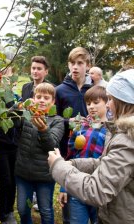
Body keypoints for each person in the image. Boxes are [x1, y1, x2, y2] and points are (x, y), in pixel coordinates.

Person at [48, 69, 134, 224]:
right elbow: (104, 163)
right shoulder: (120, 133)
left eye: (111, 100)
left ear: (123, 102)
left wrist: (58, 166)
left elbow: (97, 190)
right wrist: (72, 163)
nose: (108, 105)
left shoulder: (127, 141)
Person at [14, 82, 64, 224]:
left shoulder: (57, 121)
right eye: (39, 96)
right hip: (23, 172)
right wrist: (19, 106)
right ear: (33, 98)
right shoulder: (26, 116)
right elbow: (11, 119)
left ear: (53, 101)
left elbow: (52, 147)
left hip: (44, 175)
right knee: (23, 209)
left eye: (46, 97)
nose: (42, 100)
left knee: (45, 210)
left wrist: (43, 130)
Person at [60, 85, 108, 224]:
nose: (91, 106)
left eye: (96, 102)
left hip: (99, 189)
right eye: (88, 103)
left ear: (107, 102)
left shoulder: (112, 129)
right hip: (77, 186)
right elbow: (70, 157)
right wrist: (64, 186)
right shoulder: (80, 127)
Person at [55, 47, 92, 224]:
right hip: (67, 151)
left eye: (80, 63)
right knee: (68, 198)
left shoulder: (92, 91)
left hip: (92, 151)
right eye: (72, 63)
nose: (75, 67)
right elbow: (53, 120)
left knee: (90, 196)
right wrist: (69, 122)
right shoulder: (60, 90)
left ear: (88, 66)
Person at [0, 67, 19, 224]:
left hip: (14, 144)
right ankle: (2, 212)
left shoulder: (13, 96)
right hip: (1, 145)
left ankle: (9, 210)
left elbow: (17, 121)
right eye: (5, 75)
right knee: (5, 180)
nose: (8, 79)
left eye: (10, 75)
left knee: (14, 179)